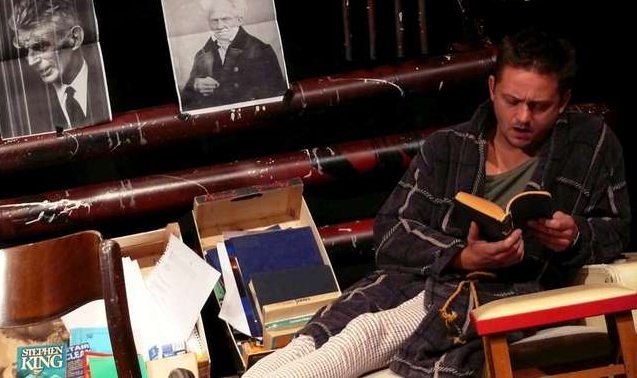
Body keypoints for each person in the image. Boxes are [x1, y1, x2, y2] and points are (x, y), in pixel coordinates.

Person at [244, 28, 630, 378]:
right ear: (492, 88)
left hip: (506, 289)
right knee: (313, 339)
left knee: (365, 334)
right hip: (421, 279)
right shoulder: (448, 147)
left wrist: (575, 236)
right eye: (512, 101)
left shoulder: (590, 145)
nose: (523, 117)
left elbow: (616, 228)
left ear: (563, 101)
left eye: (539, 105)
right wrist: (461, 256)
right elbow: (392, 231)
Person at [8, 0, 110, 134]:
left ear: (75, 39)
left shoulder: (109, 80)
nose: (31, 61)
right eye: (25, 49)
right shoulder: (24, 108)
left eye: (40, 46)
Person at [180, 0, 287, 110]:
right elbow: (185, 101)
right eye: (214, 20)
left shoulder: (261, 50)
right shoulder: (201, 55)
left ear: (239, 20)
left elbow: (277, 96)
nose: (220, 26)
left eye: (226, 19)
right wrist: (195, 85)